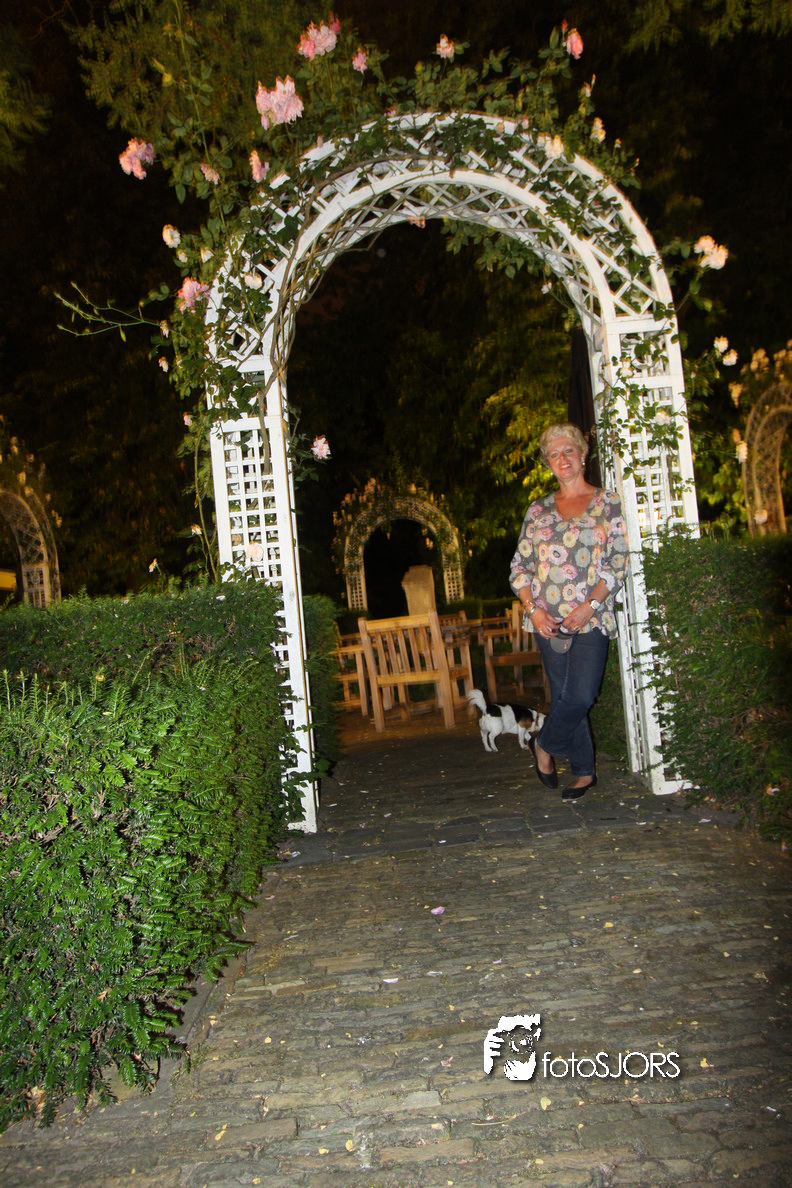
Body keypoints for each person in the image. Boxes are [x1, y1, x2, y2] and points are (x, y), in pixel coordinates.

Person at [509, 423, 628, 799]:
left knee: (580, 696)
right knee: (564, 695)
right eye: (554, 454)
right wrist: (533, 610)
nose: (562, 458)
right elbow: (519, 568)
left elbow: (618, 561)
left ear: (582, 455)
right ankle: (584, 772)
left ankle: (542, 744)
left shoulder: (607, 503)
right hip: (547, 621)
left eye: (568, 451)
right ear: (548, 462)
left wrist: (590, 606)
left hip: (591, 617)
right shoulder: (538, 509)